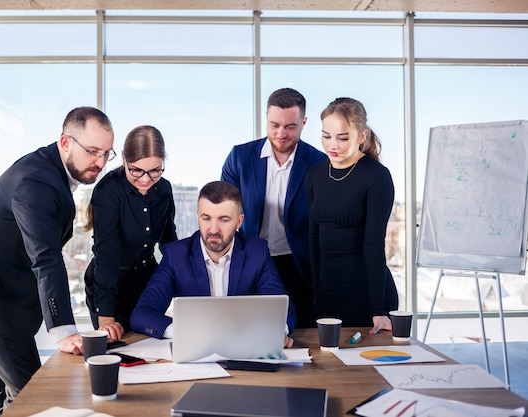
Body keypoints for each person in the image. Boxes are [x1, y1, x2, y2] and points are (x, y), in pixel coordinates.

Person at [0, 107, 115, 417]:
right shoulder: (35, 182)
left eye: (107, 153)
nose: (101, 162)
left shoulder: (49, 169)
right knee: (34, 401)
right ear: (66, 142)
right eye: (92, 151)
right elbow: (47, 258)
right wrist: (64, 330)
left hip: (9, 299)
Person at [131, 181, 296, 347]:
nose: (213, 229)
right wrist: (183, 331)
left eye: (224, 220)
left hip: (244, 350)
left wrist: (277, 331)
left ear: (239, 222)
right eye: (206, 218)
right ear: (198, 217)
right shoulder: (176, 255)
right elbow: (142, 314)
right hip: (195, 353)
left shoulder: (257, 252)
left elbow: (282, 308)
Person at [221, 87, 326, 328]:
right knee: (244, 330)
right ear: (266, 118)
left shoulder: (319, 163)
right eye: (274, 125)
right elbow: (224, 213)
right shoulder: (239, 157)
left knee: (297, 335)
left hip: (298, 265)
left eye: (290, 127)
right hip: (250, 260)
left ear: (303, 122)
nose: (281, 133)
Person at [305, 97, 398, 334]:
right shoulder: (315, 175)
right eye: (326, 136)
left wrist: (378, 309)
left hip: (365, 294)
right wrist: (316, 290)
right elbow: (313, 237)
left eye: (342, 138)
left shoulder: (376, 176)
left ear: (362, 135)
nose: (332, 145)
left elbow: (375, 244)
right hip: (327, 293)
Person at [83, 125, 177, 340]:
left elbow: (169, 241)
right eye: (136, 170)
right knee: (118, 344)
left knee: (151, 343)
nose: (145, 179)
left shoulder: (164, 189)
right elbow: (106, 252)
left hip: (147, 281)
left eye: (155, 170)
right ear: (124, 159)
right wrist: (105, 317)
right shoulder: (108, 190)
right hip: (110, 283)